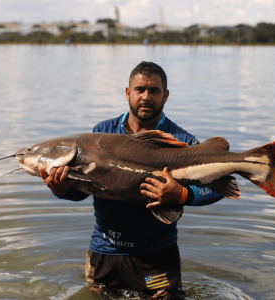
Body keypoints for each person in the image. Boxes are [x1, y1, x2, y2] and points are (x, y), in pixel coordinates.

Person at [39, 62, 224, 298]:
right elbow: (87, 189)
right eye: (140, 90)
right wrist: (61, 189)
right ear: (128, 93)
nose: (146, 97)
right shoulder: (102, 133)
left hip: (156, 255)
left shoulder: (182, 140)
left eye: (154, 91)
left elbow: (220, 186)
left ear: (165, 96)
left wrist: (183, 195)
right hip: (105, 251)